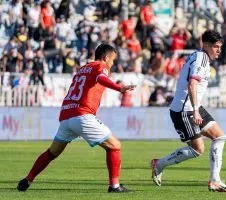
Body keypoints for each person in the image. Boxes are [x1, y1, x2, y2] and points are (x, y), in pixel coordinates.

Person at [17, 44, 136, 193]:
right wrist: (119, 88)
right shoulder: (101, 66)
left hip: (66, 116)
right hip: (82, 115)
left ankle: (28, 179)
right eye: (112, 60)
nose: (112, 63)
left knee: (52, 152)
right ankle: (114, 186)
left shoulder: (82, 69)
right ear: (106, 58)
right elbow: (101, 78)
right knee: (115, 146)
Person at [150, 30, 226, 192]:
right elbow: (192, 84)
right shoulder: (201, 59)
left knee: (219, 137)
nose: (219, 50)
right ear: (206, 46)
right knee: (198, 150)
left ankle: (215, 180)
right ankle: (159, 164)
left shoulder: (199, 56)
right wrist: (195, 110)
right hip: (184, 110)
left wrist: (196, 108)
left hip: (192, 107)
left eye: (220, 47)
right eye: (216, 47)